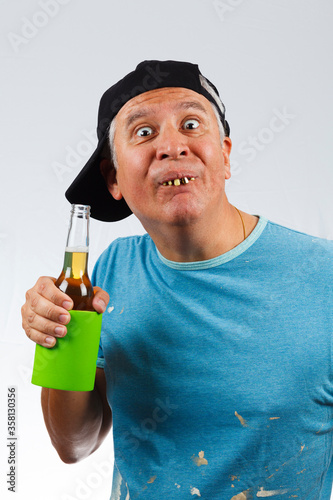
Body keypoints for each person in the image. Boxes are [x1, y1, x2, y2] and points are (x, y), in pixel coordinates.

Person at [21, 60, 333, 499]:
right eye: (144, 132)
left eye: (190, 124)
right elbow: (75, 443)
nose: (172, 146)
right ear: (113, 178)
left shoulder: (324, 278)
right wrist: (59, 338)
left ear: (225, 155)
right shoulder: (111, 271)